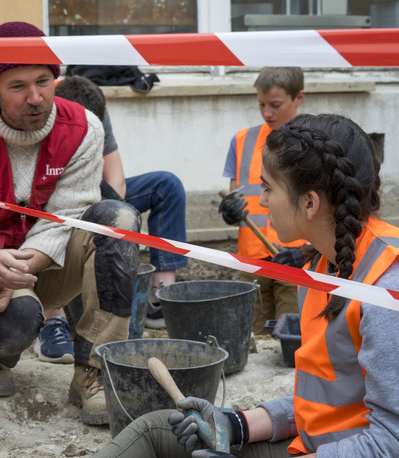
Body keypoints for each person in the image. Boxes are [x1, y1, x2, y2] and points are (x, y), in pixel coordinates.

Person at [93, 113, 399, 457]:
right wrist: (233, 424)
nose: (262, 201)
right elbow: (321, 401)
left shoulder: (386, 292)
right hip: (324, 444)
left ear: (310, 203)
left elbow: (390, 443)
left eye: (268, 188)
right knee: (153, 431)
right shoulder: (324, 264)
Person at [0, 21, 140, 425]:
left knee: (118, 219)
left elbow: (69, 217)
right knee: (16, 319)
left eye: (43, 80)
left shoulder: (84, 127)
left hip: (44, 263)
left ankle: (95, 371)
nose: (35, 97)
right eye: (17, 86)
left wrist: (14, 269)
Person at [34, 75, 188, 363]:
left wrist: (115, 218)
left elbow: (115, 177)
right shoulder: (40, 112)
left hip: (93, 193)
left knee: (166, 186)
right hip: (47, 200)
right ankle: (51, 321)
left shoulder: (91, 105)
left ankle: (157, 299)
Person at [219, 67, 309, 334]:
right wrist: (230, 211)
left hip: (296, 258)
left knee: (291, 337)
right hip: (253, 259)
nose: (267, 113)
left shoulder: (313, 142)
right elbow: (235, 195)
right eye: (261, 104)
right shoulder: (242, 140)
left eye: (275, 105)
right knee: (256, 338)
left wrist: (306, 252)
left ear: (298, 98)